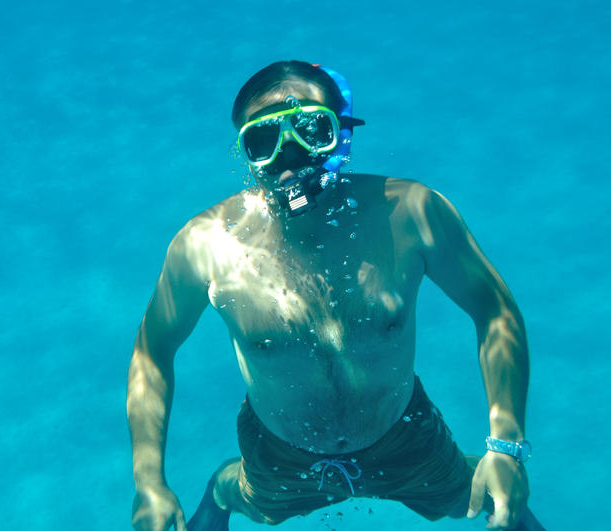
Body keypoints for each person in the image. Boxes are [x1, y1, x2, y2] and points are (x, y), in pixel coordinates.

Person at [127, 60, 543, 531]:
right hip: (278, 455)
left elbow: (495, 312)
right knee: (252, 502)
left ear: (341, 135)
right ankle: (223, 486)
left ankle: (506, 489)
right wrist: (150, 484)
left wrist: (505, 447)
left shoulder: (412, 214)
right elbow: (152, 350)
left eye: (311, 130)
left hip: (402, 437)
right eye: (263, 142)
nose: (289, 156)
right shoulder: (204, 246)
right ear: (245, 154)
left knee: (479, 496)